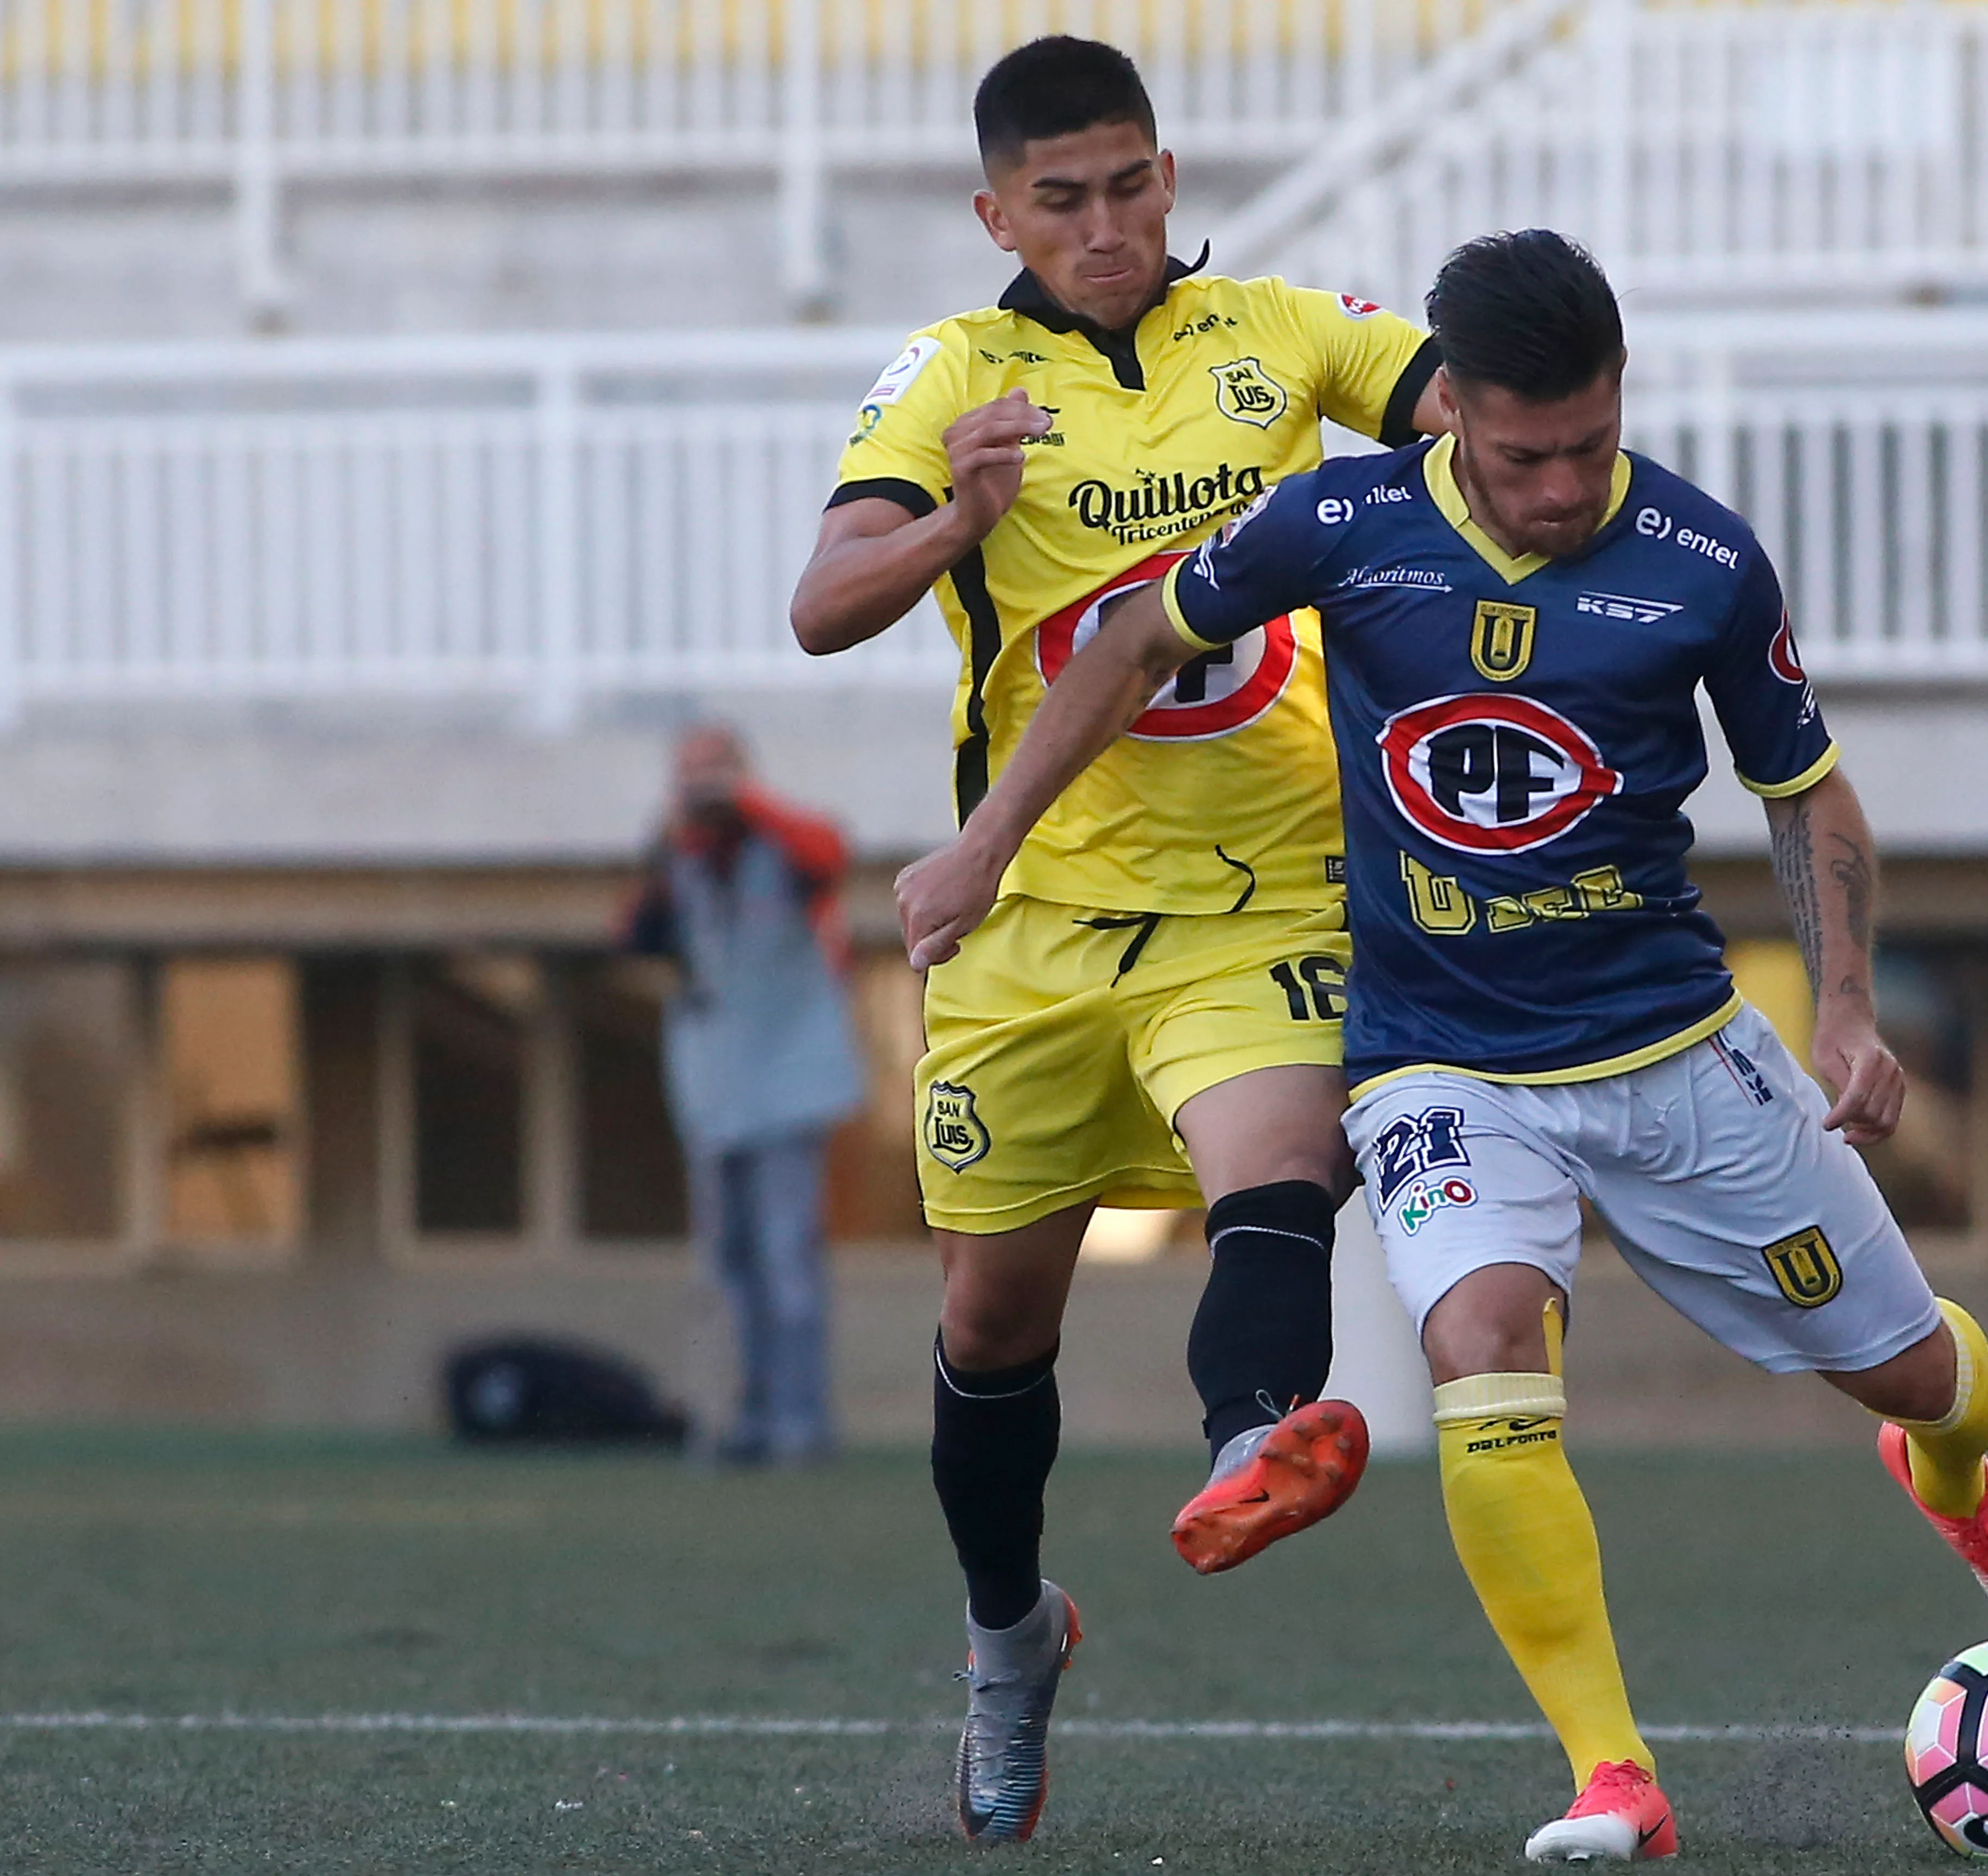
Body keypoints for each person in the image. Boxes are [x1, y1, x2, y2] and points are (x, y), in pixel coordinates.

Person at [902, 229, 1988, 1865]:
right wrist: (986, 846)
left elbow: (1804, 791)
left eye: (1592, 446)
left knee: (1915, 1372)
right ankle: (1615, 1776)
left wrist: (1843, 1007)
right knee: (1481, 1346)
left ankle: (1950, 1471)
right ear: (1450, 406)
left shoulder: (1703, 560)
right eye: (1528, 457)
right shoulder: (1343, 524)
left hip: (1673, 1049)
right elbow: (1129, 645)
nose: (1562, 489)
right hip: (1439, 1061)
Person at [786, 35, 1448, 1843]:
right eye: (1060, 200)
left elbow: (1478, 413)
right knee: (994, 1322)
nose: (1104, 226)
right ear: (995, 214)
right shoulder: (954, 374)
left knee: (1280, 1163)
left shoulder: (1286, 334)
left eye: (1129, 186)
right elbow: (822, 607)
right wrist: (955, 521)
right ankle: (1011, 1633)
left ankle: (1255, 1441)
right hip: (1031, 919)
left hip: (1265, 894)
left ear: (1170, 175)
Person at [621, 722, 863, 1468]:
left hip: (789, 1078)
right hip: (715, 1085)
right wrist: (674, 838)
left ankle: (800, 1422)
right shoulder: (680, 855)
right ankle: (742, 1417)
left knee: (787, 1255)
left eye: (713, 770)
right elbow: (635, 933)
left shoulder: (783, 841)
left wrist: (747, 803)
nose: (702, 787)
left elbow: (829, 855)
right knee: (726, 1264)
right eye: (689, 772)